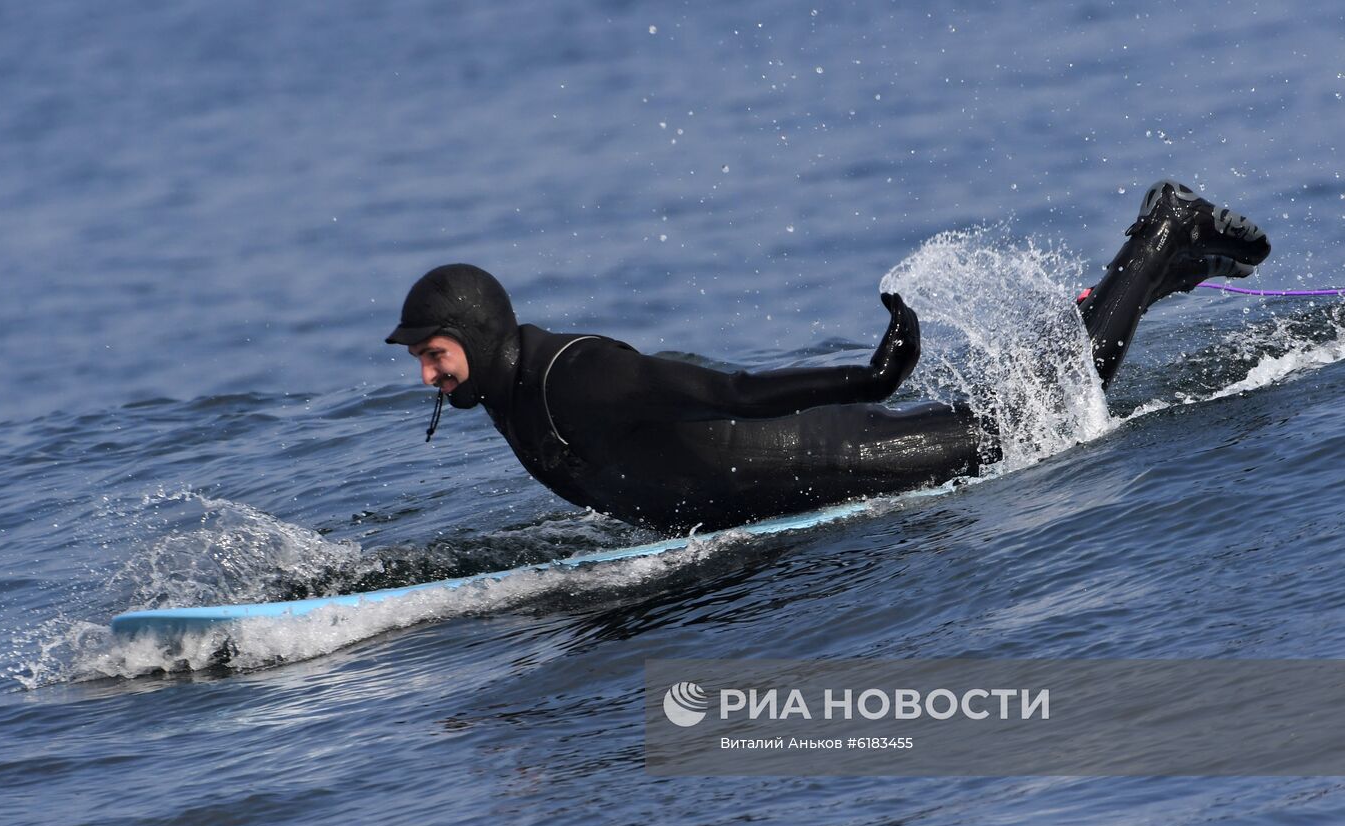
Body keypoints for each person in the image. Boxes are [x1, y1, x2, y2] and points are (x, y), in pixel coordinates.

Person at [386, 180, 1269, 533]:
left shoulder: (576, 375)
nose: (426, 374)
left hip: (838, 455)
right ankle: (1152, 282)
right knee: (1033, 396)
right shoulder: (508, 400)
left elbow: (727, 388)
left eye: (435, 353)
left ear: (479, 330)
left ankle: (1163, 233)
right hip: (791, 492)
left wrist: (871, 378)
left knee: (1041, 418)